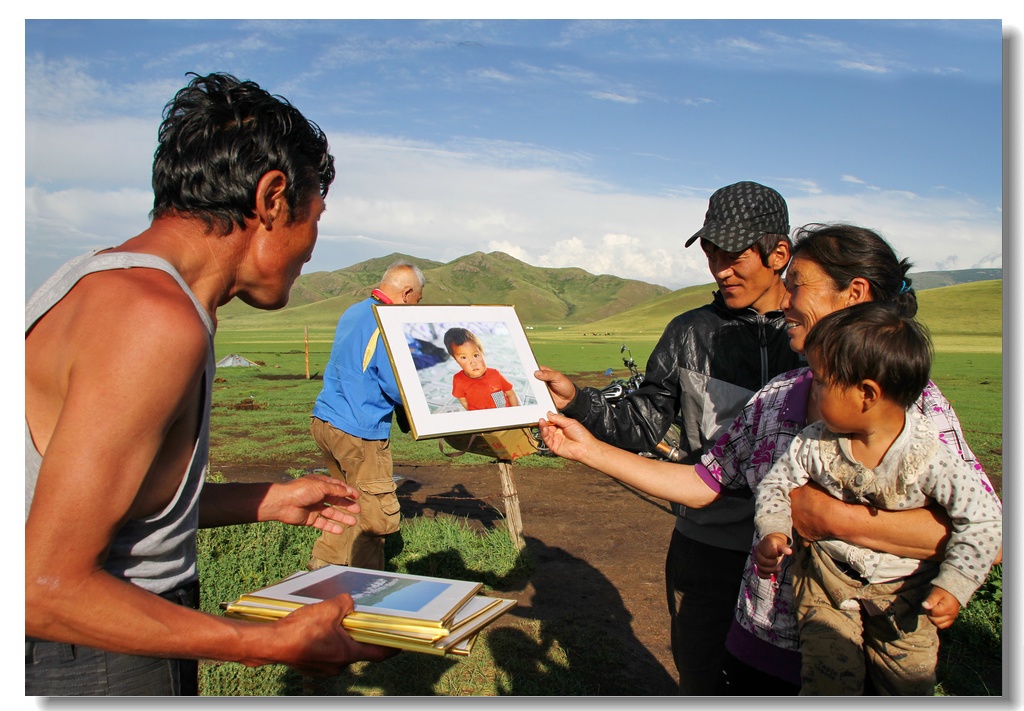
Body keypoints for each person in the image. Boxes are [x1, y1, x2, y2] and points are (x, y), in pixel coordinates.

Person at [25, 72, 395, 696]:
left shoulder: (95, 279)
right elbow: (44, 587)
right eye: (315, 216)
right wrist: (267, 643)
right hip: (96, 660)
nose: (312, 246)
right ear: (273, 198)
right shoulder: (155, 321)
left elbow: (104, 509)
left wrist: (265, 501)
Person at [538, 223, 1000, 695]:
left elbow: (991, 535)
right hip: (761, 641)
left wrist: (831, 517)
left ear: (853, 293)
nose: (784, 301)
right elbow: (704, 482)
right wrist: (588, 449)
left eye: (797, 284)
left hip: (870, 649)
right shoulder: (780, 395)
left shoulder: (913, 407)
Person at [535, 181, 801, 694]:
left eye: (734, 254)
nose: (720, 268)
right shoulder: (689, 332)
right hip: (708, 541)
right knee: (702, 674)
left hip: (800, 548)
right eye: (711, 253)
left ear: (779, 253)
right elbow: (644, 421)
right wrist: (579, 403)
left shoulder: (820, 332)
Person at [753, 303, 1002, 695]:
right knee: (827, 685)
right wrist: (774, 530)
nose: (811, 388)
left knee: (908, 685)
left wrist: (954, 584)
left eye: (819, 380)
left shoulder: (929, 457)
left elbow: (985, 521)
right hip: (826, 585)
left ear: (866, 393)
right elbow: (775, 486)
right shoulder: (815, 442)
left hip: (908, 595)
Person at [308, 261, 424, 572]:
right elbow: (396, 384)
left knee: (345, 504)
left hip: (327, 421)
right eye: (418, 299)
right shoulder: (386, 322)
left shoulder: (355, 311)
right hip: (359, 432)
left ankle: (322, 572)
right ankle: (369, 589)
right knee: (375, 517)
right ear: (407, 293)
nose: (417, 306)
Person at [443, 327, 520, 410]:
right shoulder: (458, 380)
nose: (473, 363)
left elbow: (511, 394)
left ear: (482, 353)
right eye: (464, 357)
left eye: (476, 355)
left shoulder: (495, 374)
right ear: (455, 359)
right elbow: (463, 401)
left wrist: (514, 412)